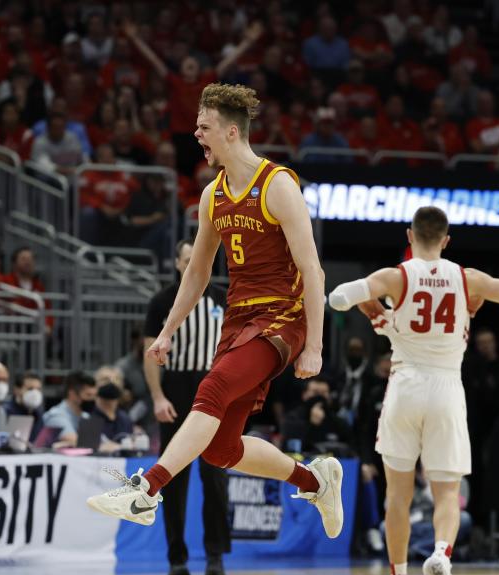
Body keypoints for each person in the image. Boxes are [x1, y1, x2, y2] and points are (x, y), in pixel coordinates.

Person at [87, 83, 342, 547]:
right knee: (222, 451)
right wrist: (166, 333)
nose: (196, 135)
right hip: (238, 320)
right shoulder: (211, 195)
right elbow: (197, 274)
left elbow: (313, 270)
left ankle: (146, 492)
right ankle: (316, 482)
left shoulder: (278, 184)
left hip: (282, 317)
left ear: (229, 131)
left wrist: (316, 346)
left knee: (212, 388)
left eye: (203, 128)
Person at [326, 205, 499, 575]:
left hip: (404, 386)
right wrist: (478, 294)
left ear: (409, 235)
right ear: (447, 239)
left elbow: (337, 298)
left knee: (398, 496)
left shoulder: (395, 276)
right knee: (448, 493)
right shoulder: (465, 277)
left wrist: (373, 306)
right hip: (446, 387)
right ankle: (441, 554)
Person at [143, 238, 231, 575]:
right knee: (173, 478)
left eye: (200, 257)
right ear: (179, 264)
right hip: (176, 392)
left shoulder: (224, 298)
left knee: (216, 477)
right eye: (188, 258)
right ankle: (176, 558)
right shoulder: (163, 301)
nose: (194, 262)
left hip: (215, 388)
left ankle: (215, 557)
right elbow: (150, 355)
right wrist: (157, 397)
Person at [43, 370, 95, 447]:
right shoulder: (56, 416)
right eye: (88, 395)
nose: (93, 400)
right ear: (72, 393)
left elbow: (101, 441)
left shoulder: (86, 416)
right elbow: (78, 441)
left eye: (94, 395)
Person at [3, 371, 45, 442]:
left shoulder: (38, 414)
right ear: (17, 390)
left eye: (38, 389)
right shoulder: (5, 412)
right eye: (30, 389)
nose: (35, 393)